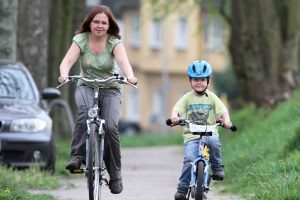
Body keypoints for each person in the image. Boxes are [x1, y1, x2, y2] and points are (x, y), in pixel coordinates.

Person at [57, 5, 137, 194]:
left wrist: (130, 76)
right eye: (96, 22)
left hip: (110, 88)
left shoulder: (114, 42)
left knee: (110, 126)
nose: (100, 26)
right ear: (90, 23)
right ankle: (77, 157)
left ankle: (115, 175)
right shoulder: (81, 40)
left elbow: (123, 62)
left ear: (109, 25)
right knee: (84, 113)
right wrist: (64, 74)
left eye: (104, 22)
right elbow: (67, 61)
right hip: (86, 85)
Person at [170, 60, 233, 200]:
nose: (199, 83)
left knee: (215, 142)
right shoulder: (187, 98)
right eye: (196, 80)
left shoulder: (212, 97)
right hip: (191, 136)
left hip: (209, 134)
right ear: (190, 81)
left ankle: (217, 167)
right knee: (189, 159)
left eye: (202, 80)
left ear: (208, 81)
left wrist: (227, 121)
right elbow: (176, 109)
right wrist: (174, 117)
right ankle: (182, 188)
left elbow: (223, 110)